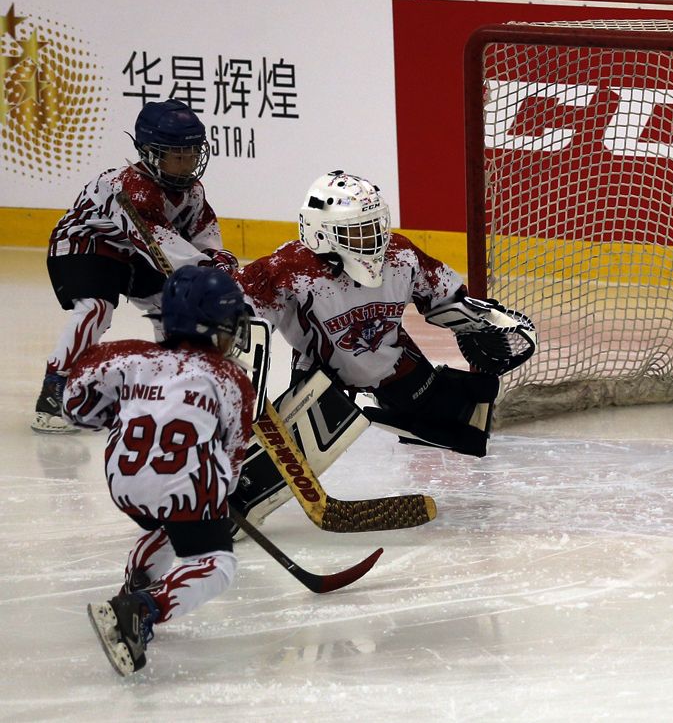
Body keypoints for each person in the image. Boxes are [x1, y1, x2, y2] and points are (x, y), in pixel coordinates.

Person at [229, 170, 534, 526]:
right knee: (295, 452)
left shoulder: (400, 256)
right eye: (358, 231)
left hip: (389, 358)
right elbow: (237, 316)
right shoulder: (289, 270)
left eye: (375, 226)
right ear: (320, 232)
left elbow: (442, 294)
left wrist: (478, 319)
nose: (372, 240)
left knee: (461, 420)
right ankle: (235, 501)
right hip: (323, 373)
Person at [66, 266, 255, 676]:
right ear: (212, 327)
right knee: (216, 563)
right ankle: (143, 608)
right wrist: (219, 494)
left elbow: (75, 406)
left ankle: (135, 586)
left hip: (124, 481)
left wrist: (128, 413)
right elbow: (234, 454)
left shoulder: (125, 356)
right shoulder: (228, 377)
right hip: (181, 483)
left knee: (167, 524)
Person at [33, 99, 238, 434]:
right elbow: (168, 251)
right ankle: (55, 389)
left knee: (169, 305)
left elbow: (203, 235)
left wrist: (218, 258)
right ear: (150, 153)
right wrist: (211, 275)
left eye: (192, 153)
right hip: (85, 245)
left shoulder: (192, 191)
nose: (187, 163)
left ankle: (174, 387)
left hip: (132, 253)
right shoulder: (131, 189)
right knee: (96, 308)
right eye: (177, 154)